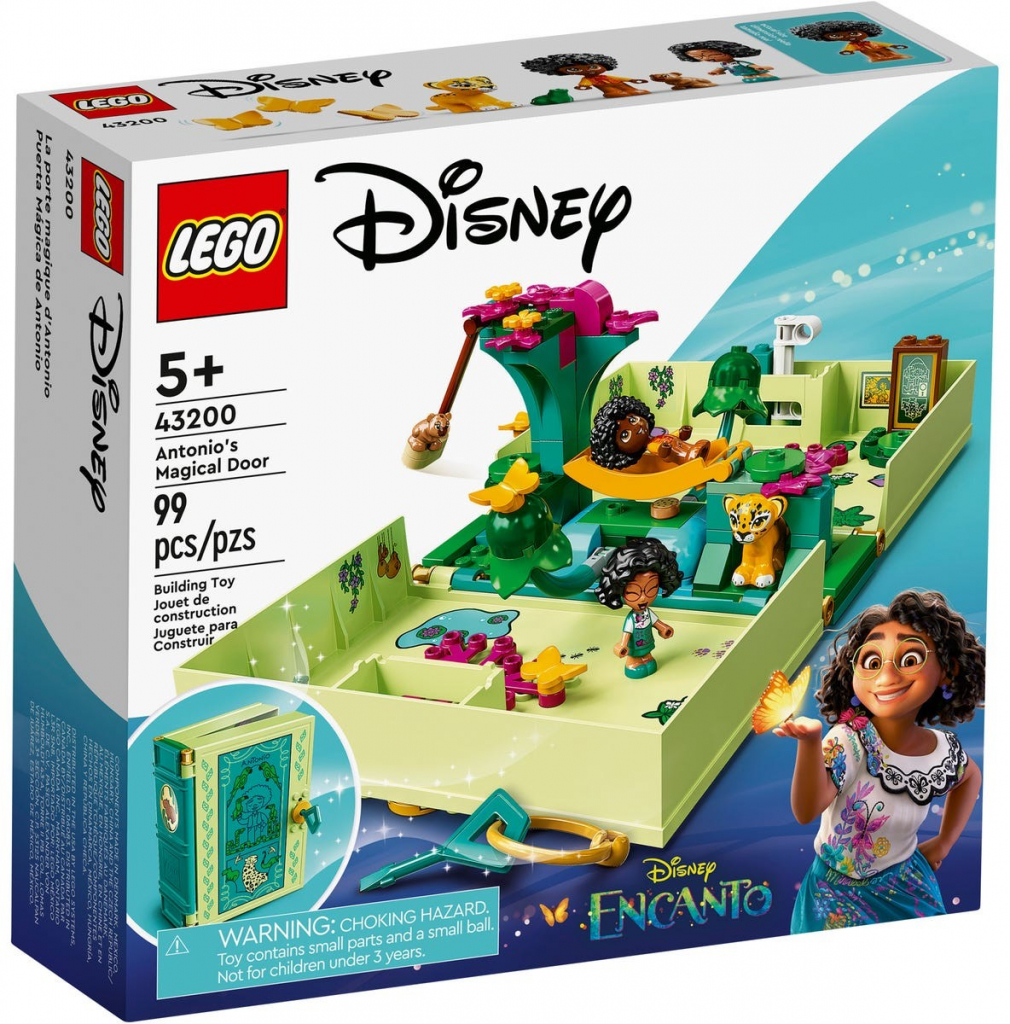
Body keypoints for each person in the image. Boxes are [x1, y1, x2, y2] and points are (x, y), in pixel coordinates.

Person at [776, 590, 984, 931]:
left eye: (910, 658)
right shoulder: (850, 740)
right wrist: (810, 743)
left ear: (948, 670)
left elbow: (970, 777)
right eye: (872, 662)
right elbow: (806, 811)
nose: (886, 677)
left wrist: (944, 843)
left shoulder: (942, 751)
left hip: (907, 887)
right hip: (834, 896)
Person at [597, 539, 683, 678]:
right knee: (635, 658)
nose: (643, 598)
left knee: (648, 660)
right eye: (633, 592)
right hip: (635, 645)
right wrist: (622, 645)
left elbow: (656, 622)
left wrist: (664, 628)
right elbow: (627, 632)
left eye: (651, 589)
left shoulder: (648, 613)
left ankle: (646, 658)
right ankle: (633, 662)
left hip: (647, 642)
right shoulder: (631, 619)